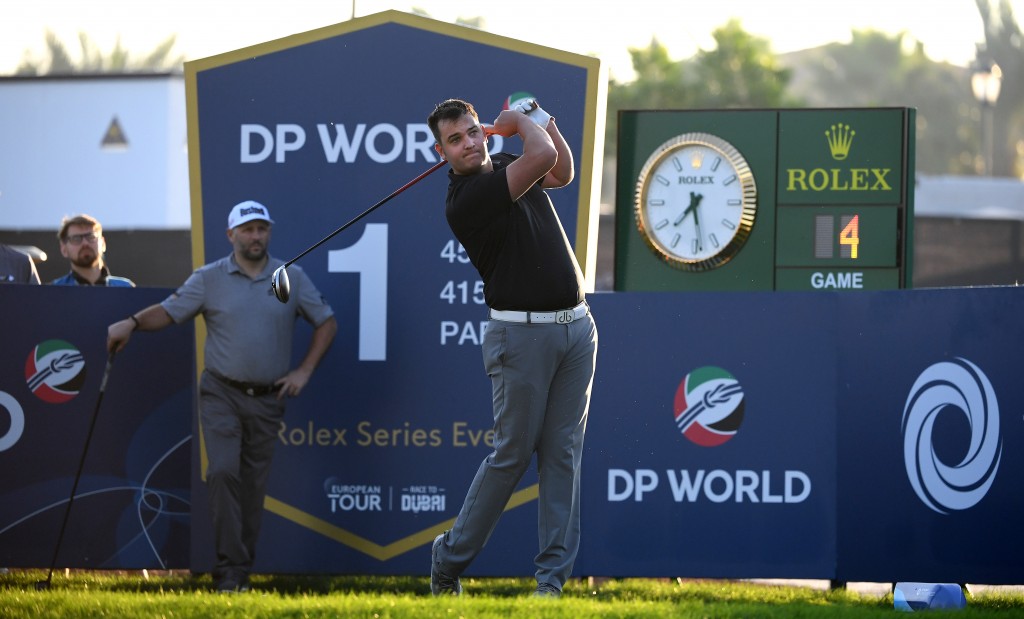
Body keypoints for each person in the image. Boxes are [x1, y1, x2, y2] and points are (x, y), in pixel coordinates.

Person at [106, 200, 337, 592]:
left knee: (251, 487)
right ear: (231, 235)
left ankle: (238, 569)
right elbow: (169, 311)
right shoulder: (209, 278)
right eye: (247, 230)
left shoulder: (290, 277)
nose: (255, 236)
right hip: (221, 393)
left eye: (261, 228)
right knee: (223, 471)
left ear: (269, 233)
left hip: (268, 400)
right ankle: (230, 570)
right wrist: (131, 323)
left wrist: (304, 371)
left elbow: (326, 322)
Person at [425, 98, 598, 598]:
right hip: (520, 336)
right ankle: (448, 560)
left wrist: (545, 121)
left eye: (474, 131)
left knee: (562, 454)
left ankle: (551, 586)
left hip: (576, 327)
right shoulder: (466, 198)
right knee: (512, 454)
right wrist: (520, 122)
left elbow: (560, 171)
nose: (469, 143)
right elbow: (540, 158)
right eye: (455, 140)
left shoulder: (501, 164)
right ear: (441, 152)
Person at [51, 214, 135, 286]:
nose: (85, 243)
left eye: (91, 237)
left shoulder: (126, 289)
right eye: (76, 238)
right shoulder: (54, 291)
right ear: (64, 249)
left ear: (103, 243)